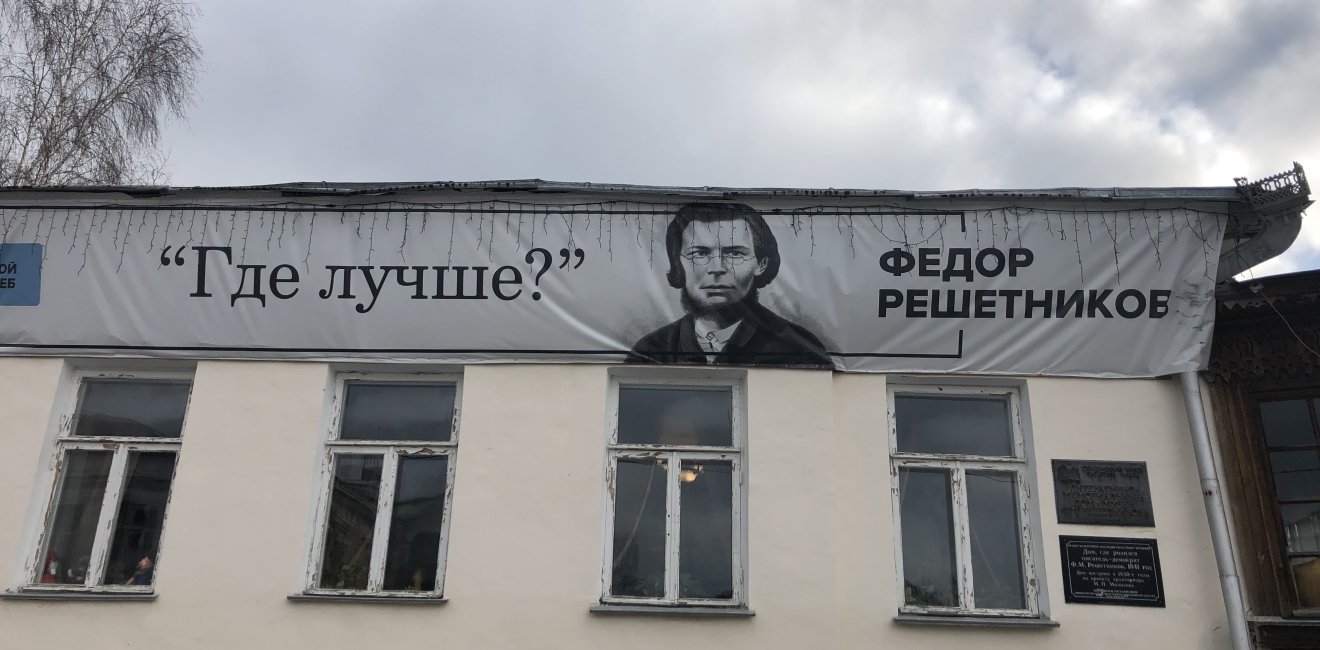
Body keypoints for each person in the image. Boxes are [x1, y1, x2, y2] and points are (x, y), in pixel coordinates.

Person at [626, 202, 831, 368]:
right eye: (700, 253)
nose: (717, 268)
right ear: (678, 263)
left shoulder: (799, 350)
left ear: (761, 264)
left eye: (734, 253)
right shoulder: (650, 351)